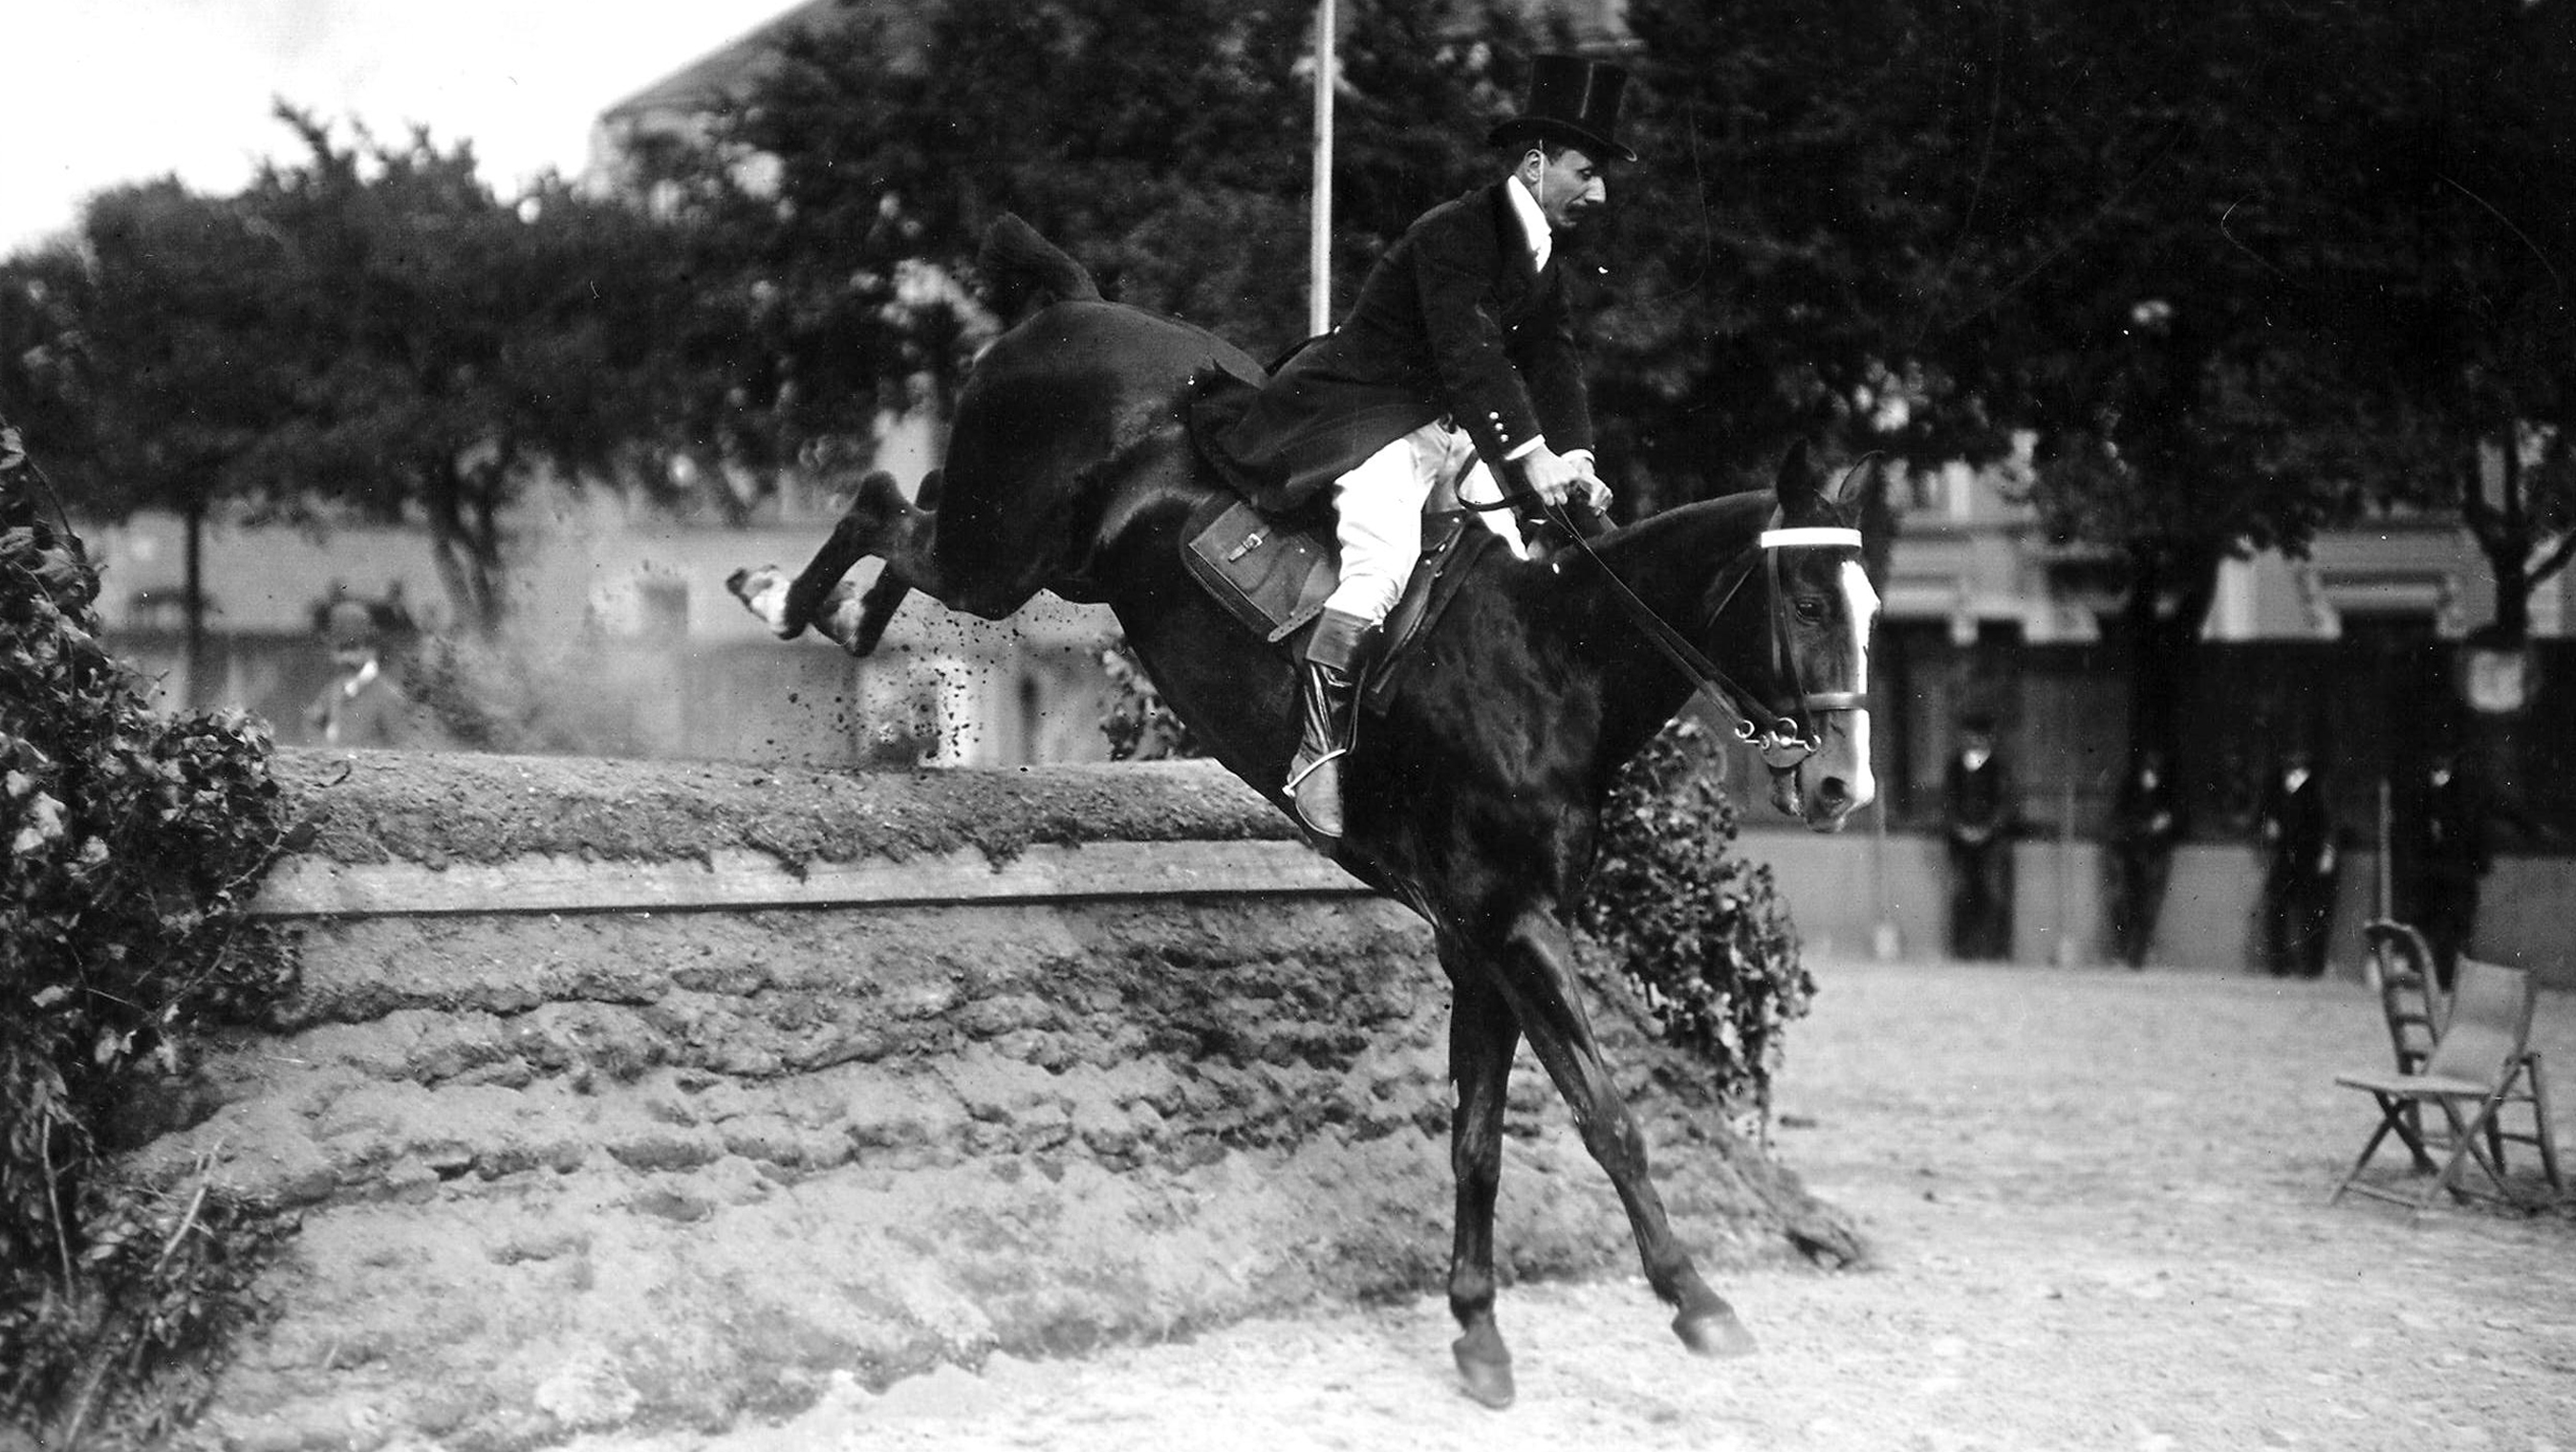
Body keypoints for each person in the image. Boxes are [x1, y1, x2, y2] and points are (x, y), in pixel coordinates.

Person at [1209, 53, 1634, 839]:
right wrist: (1530, 454)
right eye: (1586, 172)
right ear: (1534, 164)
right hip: (1364, 418)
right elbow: (1470, 356)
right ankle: (1314, 754)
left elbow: (1553, 357)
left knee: (1515, 564)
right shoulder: (1455, 233)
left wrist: (1576, 457)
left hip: (1444, 429)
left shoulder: (1538, 250)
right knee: (1382, 570)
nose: (1598, 193)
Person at [2395, 745, 2492, 989]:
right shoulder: (2421, 798)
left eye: (2445, 771)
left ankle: (2448, 978)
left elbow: (2475, 835)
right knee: (2426, 925)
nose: (2440, 777)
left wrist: (2477, 863)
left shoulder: (2465, 799)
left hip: (2456, 876)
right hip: (2429, 875)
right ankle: (2424, 973)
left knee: (2453, 928)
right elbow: (2412, 834)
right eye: (2436, 771)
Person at [2258, 745, 2340, 978]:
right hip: (2286, 855)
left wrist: (2328, 852)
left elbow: (2330, 823)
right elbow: (2267, 814)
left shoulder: (2318, 786)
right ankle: (2280, 964)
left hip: (2312, 856)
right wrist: (2269, 825)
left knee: (2312, 912)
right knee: (2277, 906)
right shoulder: (2278, 785)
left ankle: (2312, 966)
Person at [304, 599, 427, 748]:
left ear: (370, 648)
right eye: (340, 647)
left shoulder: (387, 696)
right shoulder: (333, 690)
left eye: (351, 646)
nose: (344, 656)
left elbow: (403, 748)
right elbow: (313, 728)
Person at [1943, 714, 2017, 960]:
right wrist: (1961, 828)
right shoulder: (1955, 767)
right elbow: (1948, 802)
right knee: (1962, 892)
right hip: (1960, 841)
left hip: (1992, 842)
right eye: (1969, 736)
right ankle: (1964, 951)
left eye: (1978, 736)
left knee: (1992, 892)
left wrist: (1986, 830)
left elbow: (2004, 805)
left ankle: (1994, 951)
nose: (1973, 741)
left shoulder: (1998, 769)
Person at [2107, 748, 2181, 969]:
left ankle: (2137, 955)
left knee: (2147, 906)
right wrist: (2143, 828)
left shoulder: (2167, 793)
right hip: (2132, 853)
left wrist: (2164, 824)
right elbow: (2120, 819)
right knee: (2128, 903)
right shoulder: (2130, 791)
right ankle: (2128, 952)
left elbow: (2178, 817)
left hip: (2155, 853)